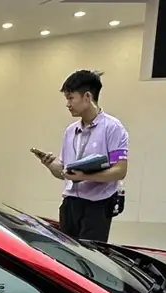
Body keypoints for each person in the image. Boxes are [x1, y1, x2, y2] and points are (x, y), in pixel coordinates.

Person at [33, 70, 129, 242]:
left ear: (87, 97)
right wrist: (50, 164)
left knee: (90, 255)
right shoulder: (70, 131)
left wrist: (84, 176)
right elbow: (64, 172)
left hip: (97, 206)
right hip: (70, 204)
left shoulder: (112, 128)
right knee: (66, 253)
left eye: (71, 98)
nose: (68, 104)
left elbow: (120, 171)